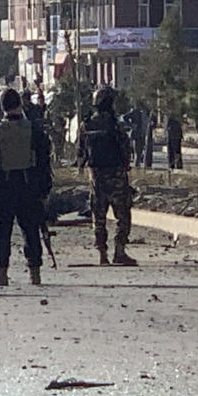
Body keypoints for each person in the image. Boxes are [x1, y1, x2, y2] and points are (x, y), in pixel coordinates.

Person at [0, 88, 52, 288]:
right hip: (28, 184)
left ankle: (0, 273)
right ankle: (35, 274)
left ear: (2, 108)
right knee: (31, 229)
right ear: (20, 104)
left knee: (2, 230)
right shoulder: (34, 129)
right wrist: (45, 189)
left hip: (3, 184)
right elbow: (44, 161)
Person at [80, 87, 137, 266]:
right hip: (116, 175)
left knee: (99, 216)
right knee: (123, 214)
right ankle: (119, 251)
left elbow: (81, 152)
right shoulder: (115, 124)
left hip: (96, 177)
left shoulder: (87, 124)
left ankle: (102, 253)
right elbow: (126, 148)